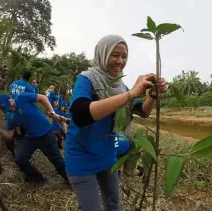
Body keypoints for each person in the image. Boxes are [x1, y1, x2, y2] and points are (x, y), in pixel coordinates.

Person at [65, 35, 167, 211]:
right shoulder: (87, 79)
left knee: (113, 204)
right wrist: (132, 93)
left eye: (124, 56)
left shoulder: (119, 86)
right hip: (82, 158)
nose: (120, 61)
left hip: (107, 156)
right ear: (103, 54)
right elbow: (80, 114)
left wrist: (153, 95)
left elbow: (142, 111)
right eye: (115, 55)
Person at [0, 92, 69, 187]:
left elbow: (43, 98)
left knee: (57, 160)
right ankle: (39, 180)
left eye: (11, 106)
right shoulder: (10, 116)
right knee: (20, 159)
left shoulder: (22, 97)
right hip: (31, 138)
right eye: (8, 109)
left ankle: (70, 180)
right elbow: (9, 135)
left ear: (10, 98)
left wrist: (52, 113)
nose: (12, 109)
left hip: (46, 133)